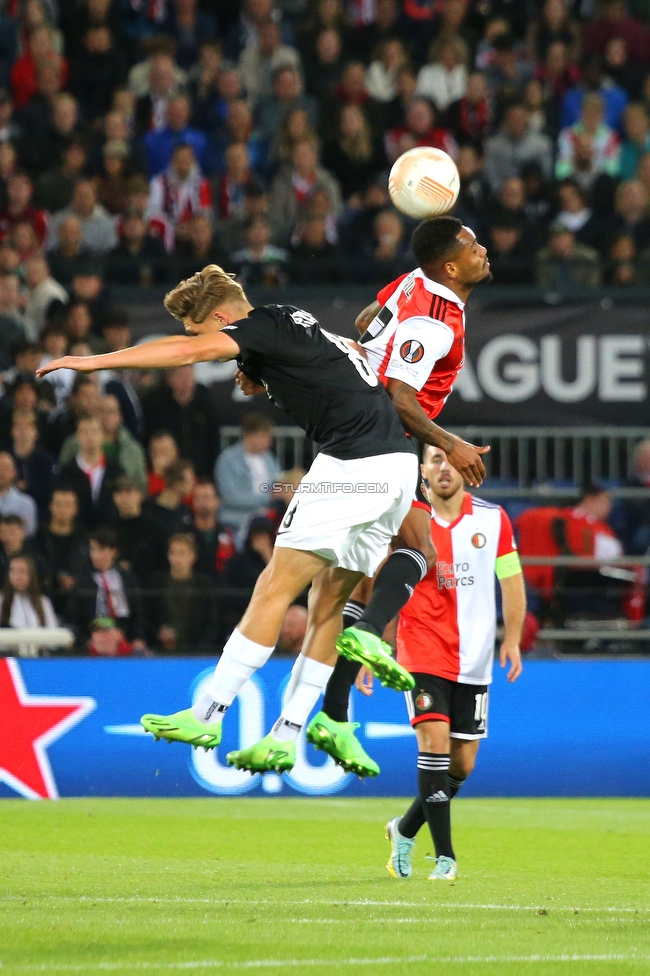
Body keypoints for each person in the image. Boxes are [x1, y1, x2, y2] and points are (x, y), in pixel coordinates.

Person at [36, 262, 427, 763]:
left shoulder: (260, 325)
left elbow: (182, 352)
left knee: (274, 587)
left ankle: (208, 715)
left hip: (351, 463)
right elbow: (338, 369)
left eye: (201, 332)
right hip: (395, 469)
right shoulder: (296, 323)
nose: (202, 346)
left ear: (222, 320)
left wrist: (90, 363)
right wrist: (263, 379)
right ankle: (285, 736)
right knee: (328, 599)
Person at [300, 216, 492, 777]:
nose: (482, 250)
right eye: (471, 246)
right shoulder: (435, 322)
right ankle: (354, 652)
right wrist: (451, 444)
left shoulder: (412, 283)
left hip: (361, 433)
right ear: (451, 266)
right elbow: (401, 396)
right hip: (384, 440)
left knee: (366, 573)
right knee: (412, 554)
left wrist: (382, 337)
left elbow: (367, 320)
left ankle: (334, 710)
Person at [381, 444, 525, 882]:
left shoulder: (492, 519)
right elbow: (383, 582)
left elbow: (511, 582)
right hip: (421, 647)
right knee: (434, 745)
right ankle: (445, 857)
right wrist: (377, 643)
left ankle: (404, 829)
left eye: (450, 459)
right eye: (434, 459)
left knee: (462, 764)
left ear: (466, 468)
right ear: (422, 470)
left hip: (475, 657)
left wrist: (513, 639)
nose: (444, 467)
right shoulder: (407, 521)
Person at [65, 526, 146, 650]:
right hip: (93, 640)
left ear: (114, 551)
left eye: (101, 549)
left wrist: (138, 638)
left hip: (124, 637)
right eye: (92, 549)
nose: (95, 555)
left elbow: (139, 613)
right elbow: (73, 617)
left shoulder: (127, 578)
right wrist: (85, 641)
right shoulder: (83, 581)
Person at [147, 533, 217, 655]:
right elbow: (147, 617)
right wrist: (158, 632)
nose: (177, 558)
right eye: (173, 553)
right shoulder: (156, 582)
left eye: (182, 553)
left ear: (193, 556)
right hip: (161, 651)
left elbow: (212, 620)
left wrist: (202, 648)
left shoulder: (204, 585)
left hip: (197, 653)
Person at [215, 412, 282, 534]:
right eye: (263, 436)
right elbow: (230, 496)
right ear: (248, 436)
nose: (268, 442)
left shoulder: (268, 458)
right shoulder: (228, 459)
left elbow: (278, 481)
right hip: (237, 520)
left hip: (267, 518)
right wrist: (266, 498)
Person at [54, 413, 122, 529]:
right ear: (77, 436)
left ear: (102, 436)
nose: (90, 437)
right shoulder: (66, 472)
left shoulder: (116, 471)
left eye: (94, 431)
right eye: (85, 432)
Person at [34, 486, 86, 615]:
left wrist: (76, 579)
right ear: (51, 506)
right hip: (44, 598)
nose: (62, 509)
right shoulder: (37, 539)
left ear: (75, 509)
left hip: (78, 603)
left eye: (68, 505)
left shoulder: (85, 539)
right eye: (58, 504)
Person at [110, 476, 167, 579]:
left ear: (140, 495)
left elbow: (162, 565)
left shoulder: (155, 530)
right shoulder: (109, 529)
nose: (124, 498)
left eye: (128, 493)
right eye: (119, 493)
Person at [0, 554, 58, 655]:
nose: (17, 576)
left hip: (38, 657)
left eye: (22, 571)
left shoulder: (43, 602)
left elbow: (53, 635)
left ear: (31, 574)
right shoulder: (1, 601)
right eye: (13, 571)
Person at [190, 478, 235, 578]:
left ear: (216, 501)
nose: (201, 502)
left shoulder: (226, 536)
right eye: (197, 498)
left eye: (206, 497)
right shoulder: (184, 533)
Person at [142, 459, 195, 539]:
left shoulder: (185, 513)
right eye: (190, 481)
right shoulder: (147, 508)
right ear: (178, 484)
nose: (193, 484)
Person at [0, 450, 37, 536]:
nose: (1, 473)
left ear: (14, 472)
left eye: (5, 468)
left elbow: (29, 534)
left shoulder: (26, 503)